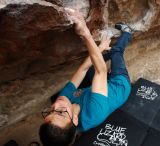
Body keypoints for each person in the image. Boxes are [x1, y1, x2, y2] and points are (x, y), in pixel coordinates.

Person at [39, 8, 133, 146]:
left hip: (101, 86)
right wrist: (85, 33)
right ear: (75, 120)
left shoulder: (64, 103)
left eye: (49, 112)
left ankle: (105, 54)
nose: (56, 104)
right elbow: (100, 71)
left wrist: (100, 48)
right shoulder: (94, 113)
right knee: (116, 52)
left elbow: (83, 69)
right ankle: (128, 32)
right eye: (60, 112)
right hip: (119, 85)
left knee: (90, 68)